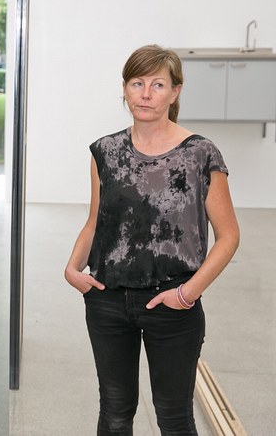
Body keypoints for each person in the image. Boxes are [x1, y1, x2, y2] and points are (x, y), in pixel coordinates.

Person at [64, 44, 240, 435]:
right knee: (114, 413)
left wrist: (188, 294)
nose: (145, 94)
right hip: (108, 301)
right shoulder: (105, 151)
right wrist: (72, 268)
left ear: (175, 92)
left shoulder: (200, 154)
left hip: (173, 302)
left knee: (174, 419)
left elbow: (229, 236)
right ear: (124, 89)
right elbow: (95, 222)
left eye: (157, 85)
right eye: (137, 83)